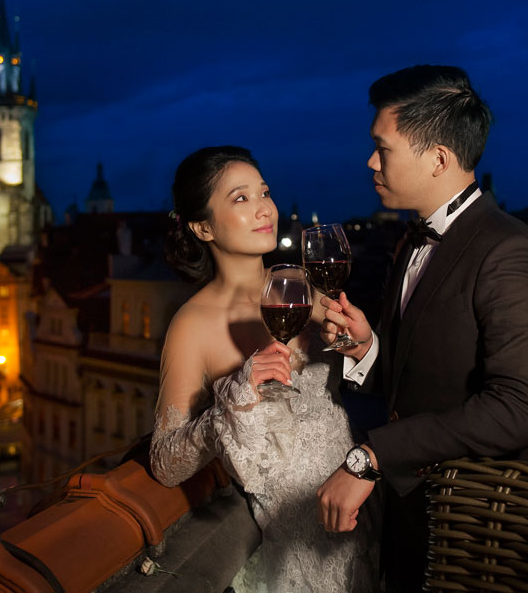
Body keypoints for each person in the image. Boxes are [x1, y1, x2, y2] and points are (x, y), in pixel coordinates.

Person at [316, 65, 528, 592]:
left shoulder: (511, 251)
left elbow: (519, 410)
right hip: (418, 514)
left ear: (439, 158)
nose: (370, 161)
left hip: (489, 524)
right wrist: (367, 348)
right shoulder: (409, 241)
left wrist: (372, 455)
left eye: (383, 148)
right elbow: (423, 379)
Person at [150, 146, 376, 592]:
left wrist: (362, 343)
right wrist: (235, 400)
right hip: (289, 544)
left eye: (265, 192)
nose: (264, 209)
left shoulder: (299, 287)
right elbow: (163, 461)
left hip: (359, 510)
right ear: (202, 227)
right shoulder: (191, 326)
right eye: (241, 198)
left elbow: (357, 381)